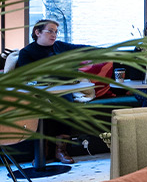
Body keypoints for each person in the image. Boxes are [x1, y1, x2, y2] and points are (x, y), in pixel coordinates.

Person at [15, 19, 93, 164]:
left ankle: (60, 150)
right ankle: (43, 150)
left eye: (56, 32)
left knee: (66, 103)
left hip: (63, 89)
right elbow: (28, 75)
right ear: (37, 32)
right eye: (50, 31)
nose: (54, 35)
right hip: (40, 91)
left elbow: (81, 48)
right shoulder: (27, 52)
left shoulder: (60, 46)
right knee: (45, 106)